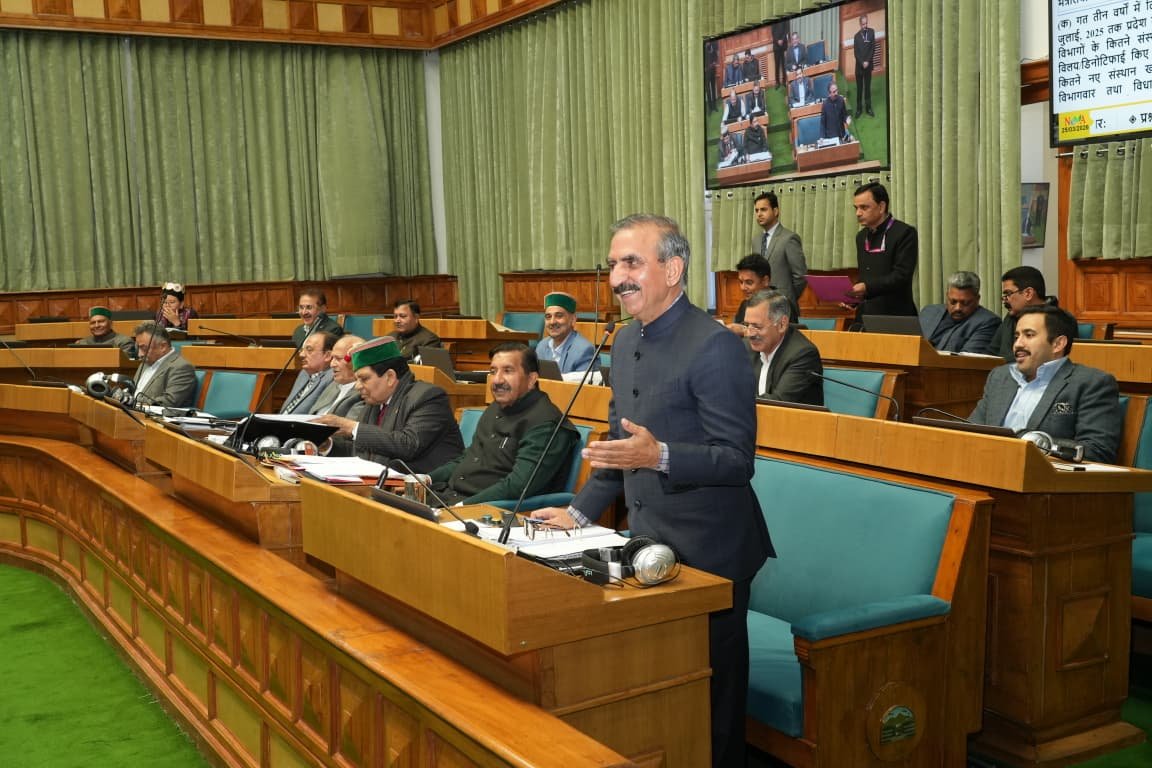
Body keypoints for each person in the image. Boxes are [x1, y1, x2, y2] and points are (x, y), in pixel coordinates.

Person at [534, 214, 771, 768]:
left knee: (711, 707)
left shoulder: (715, 346)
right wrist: (577, 513)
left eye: (631, 263)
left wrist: (658, 455)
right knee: (662, 696)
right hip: (648, 547)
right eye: (613, 264)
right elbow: (622, 451)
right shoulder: (624, 342)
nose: (618, 277)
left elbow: (737, 461)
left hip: (711, 557)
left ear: (673, 268)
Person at [427, 341, 577, 505]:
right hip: (449, 497)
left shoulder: (546, 423)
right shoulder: (496, 408)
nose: (497, 380)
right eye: (493, 371)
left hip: (487, 510)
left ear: (531, 379)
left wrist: (463, 507)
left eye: (508, 371)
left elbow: (518, 486)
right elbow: (466, 459)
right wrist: (426, 479)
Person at [969, 305, 1122, 464]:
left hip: (1043, 475)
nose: (1017, 344)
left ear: (1058, 344)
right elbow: (971, 431)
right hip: (985, 467)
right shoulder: (1000, 377)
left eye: (1029, 335)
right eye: (1016, 336)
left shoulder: (1091, 383)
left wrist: (1035, 441)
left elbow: (1097, 451)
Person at [317, 337, 464, 472]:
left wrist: (352, 428)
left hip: (424, 486)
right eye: (357, 380)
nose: (357, 386)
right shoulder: (374, 402)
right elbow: (361, 452)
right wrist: (327, 445)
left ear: (390, 377)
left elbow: (408, 445)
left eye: (364, 379)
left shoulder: (428, 397)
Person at [847, 182, 918, 319]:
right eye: (856, 208)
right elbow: (866, 275)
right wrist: (854, 297)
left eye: (864, 207)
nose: (858, 213)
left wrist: (866, 287)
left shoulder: (904, 233)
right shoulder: (861, 236)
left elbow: (901, 276)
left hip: (896, 315)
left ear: (881, 207)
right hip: (866, 315)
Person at [746, 290, 823, 405]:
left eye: (757, 326)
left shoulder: (803, 354)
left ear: (782, 324)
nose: (749, 334)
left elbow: (778, 403)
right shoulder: (746, 346)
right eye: (747, 325)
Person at [750, 191, 808, 315]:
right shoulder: (756, 240)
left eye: (763, 209)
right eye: (756, 210)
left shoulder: (789, 238)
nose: (759, 214)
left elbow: (800, 276)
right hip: (761, 306)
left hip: (784, 306)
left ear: (775, 211)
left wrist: (788, 296)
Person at [918, 271, 1001, 353]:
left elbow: (967, 359)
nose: (958, 308)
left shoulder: (988, 322)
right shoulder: (929, 311)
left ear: (977, 299)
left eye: (965, 303)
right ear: (947, 296)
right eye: (953, 302)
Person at [987, 265, 1056, 361]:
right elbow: (991, 353)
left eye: (1008, 294)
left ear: (1028, 293)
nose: (1005, 300)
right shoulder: (1011, 317)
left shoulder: (1057, 321)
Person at [132, 322, 197, 408]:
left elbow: (169, 402)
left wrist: (134, 403)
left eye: (144, 348)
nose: (140, 354)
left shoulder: (181, 367)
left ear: (163, 346)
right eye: (138, 348)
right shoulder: (144, 364)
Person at [535, 292, 596, 374]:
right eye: (548, 317)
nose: (552, 322)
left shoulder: (584, 350)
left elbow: (582, 382)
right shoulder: (541, 346)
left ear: (573, 319)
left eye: (559, 316)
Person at [311, 334, 367, 418]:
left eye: (338, 359)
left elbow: (350, 424)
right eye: (332, 358)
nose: (332, 364)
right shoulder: (333, 384)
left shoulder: (364, 392)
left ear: (355, 360)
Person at [280, 332, 335, 414]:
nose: (301, 354)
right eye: (302, 350)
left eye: (309, 350)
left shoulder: (333, 377)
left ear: (327, 356)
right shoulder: (304, 374)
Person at [726, 254, 773, 335]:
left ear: (765, 281)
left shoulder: (781, 305)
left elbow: (775, 338)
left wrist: (745, 331)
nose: (743, 288)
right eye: (741, 282)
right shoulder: (745, 304)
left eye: (749, 282)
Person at [853, 14, 876, 118]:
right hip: (859, 67)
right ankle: (859, 109)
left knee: (867, 88)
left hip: (868, 66)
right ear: (860, 24)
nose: (865, 26)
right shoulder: (856, 36)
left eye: (866, 23)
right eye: (863, 24)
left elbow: (872, 48)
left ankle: (868, 108)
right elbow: (856, 53)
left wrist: (867, 61)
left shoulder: (871, 32)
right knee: (859, 89)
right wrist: (862, 62)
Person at [772, 21, 789, 88]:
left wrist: (782, 40)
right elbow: (773, 32)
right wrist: (777, 41)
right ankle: (777, 82)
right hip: (776, 46)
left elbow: (786, 30)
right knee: (777, 65)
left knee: (784, 65)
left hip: (784, 45)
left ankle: (784, 81)